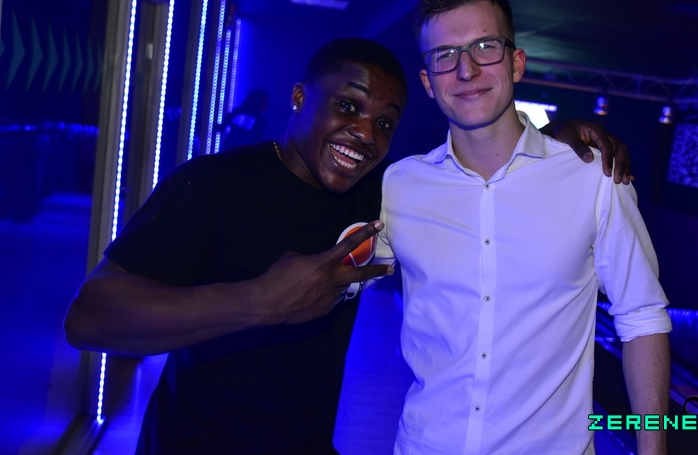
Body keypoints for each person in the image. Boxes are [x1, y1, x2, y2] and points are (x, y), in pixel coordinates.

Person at [64, 37, 632, 453]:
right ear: (298, 97)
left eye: (385, 123)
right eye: (348, 106)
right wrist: (261, 301)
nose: (365, 133)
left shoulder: (379, 195)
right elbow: (89, 317)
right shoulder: (214, 185)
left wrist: (548, 146)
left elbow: (480, 191)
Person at [376, 0, 671, 455]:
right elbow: (341, 276)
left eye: (484, 47)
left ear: (516, 63)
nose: (466, 70)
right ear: (428, 82)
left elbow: (642, 317)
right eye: (445, 55)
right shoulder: (400, 185)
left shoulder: (593, 177)